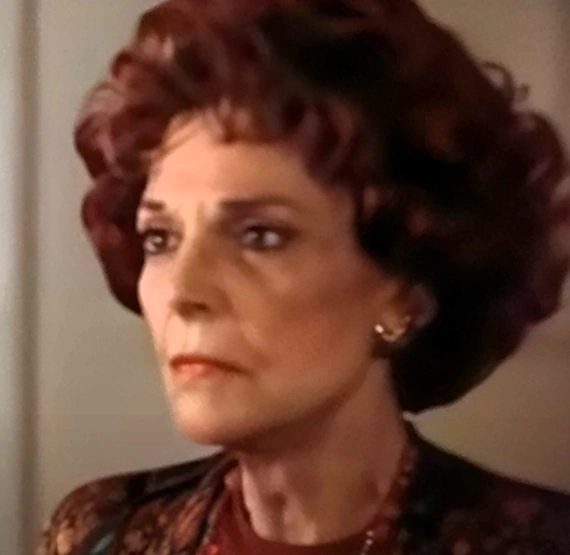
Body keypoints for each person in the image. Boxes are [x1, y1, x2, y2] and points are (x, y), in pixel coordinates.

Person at [38, 0, 570, 553]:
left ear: (405, 296)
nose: (184, 291)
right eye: (160, 238)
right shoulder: (98, 534)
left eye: (259, 236)